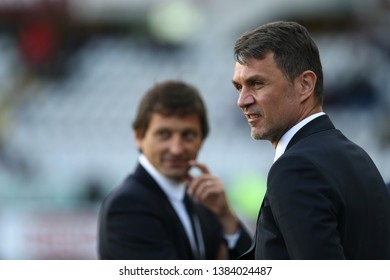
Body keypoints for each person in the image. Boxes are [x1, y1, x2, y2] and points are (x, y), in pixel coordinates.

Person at [231, 21, 390, 259]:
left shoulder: (296, 168)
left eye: (257, 83)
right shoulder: (356, 156)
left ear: (305, 85)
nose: (242, 101)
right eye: (238, 87)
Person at [98, 80, 251, 259]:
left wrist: (226, 217)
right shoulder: (127, 205)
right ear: (139, 136)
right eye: (164, 134)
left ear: (201, 140)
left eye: (188, 135)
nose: (177, 148)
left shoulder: (203, 204)